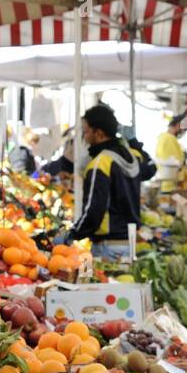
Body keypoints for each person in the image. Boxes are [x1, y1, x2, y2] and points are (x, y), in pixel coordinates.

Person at [66, 105, 140, 259]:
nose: (84, 137)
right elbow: (150, 168)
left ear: (98, 133)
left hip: (107, 248)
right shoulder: (130, 158)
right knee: (122, 281)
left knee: (91, 279)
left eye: (86, 132)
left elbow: (94, 208)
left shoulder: (101, 163)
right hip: (129, 244)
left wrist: (73, 234)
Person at [155, 114, 187, 192]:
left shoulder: (164, 137)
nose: (183, 131)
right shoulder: (169, 139)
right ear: (178, 125)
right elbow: (174, 162)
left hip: (168, 185)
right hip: (170, 186)